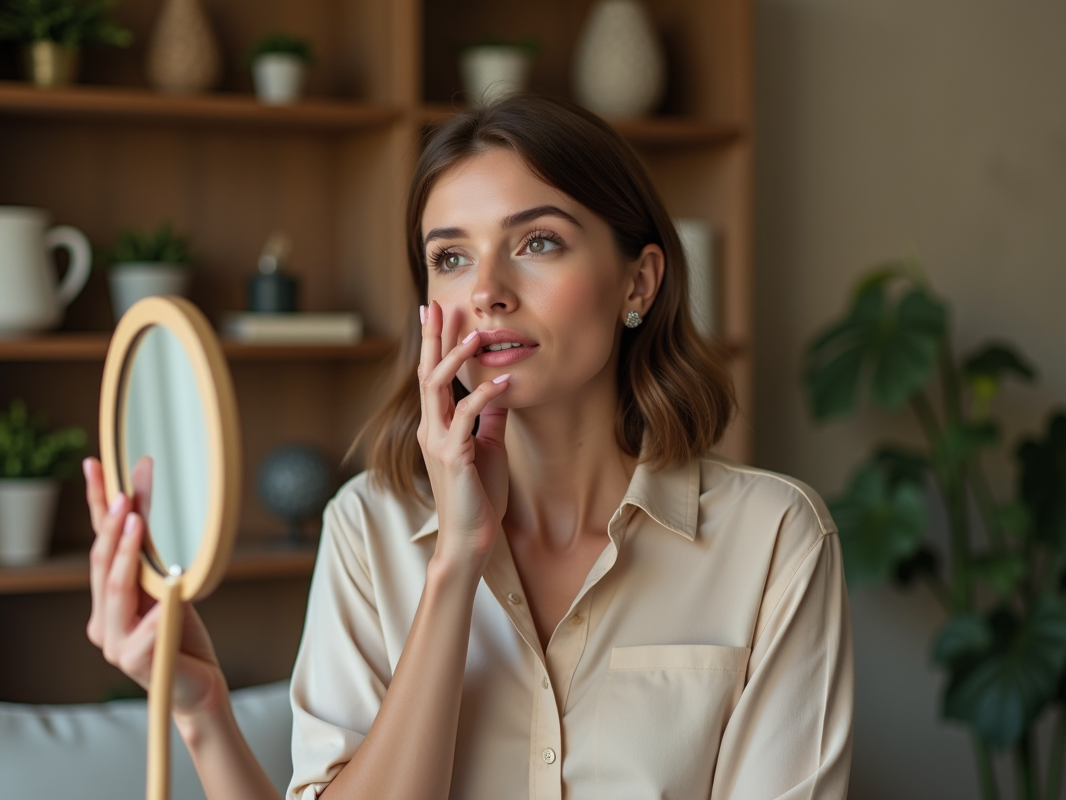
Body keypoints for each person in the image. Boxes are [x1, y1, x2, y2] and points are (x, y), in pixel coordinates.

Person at [83, 94, 853, 800]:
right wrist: (456, 560)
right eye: (451, 257)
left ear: (639, 284)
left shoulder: (774, 541)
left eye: (539, 242)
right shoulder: (367, 528)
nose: (486, 289)